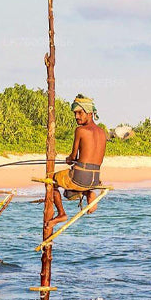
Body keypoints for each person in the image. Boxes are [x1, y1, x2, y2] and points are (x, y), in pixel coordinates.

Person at [48, 94, 107, 224]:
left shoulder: (80, 130)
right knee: (69, 188)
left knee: (51, 181)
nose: (76, 116)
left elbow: (73, 156)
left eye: (80, 113)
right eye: (75, 113)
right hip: (95, 178)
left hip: (80, 177)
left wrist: (69, 159)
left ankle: (61, 213)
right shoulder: (103, 132)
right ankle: (88, 193)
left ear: (89, 113)